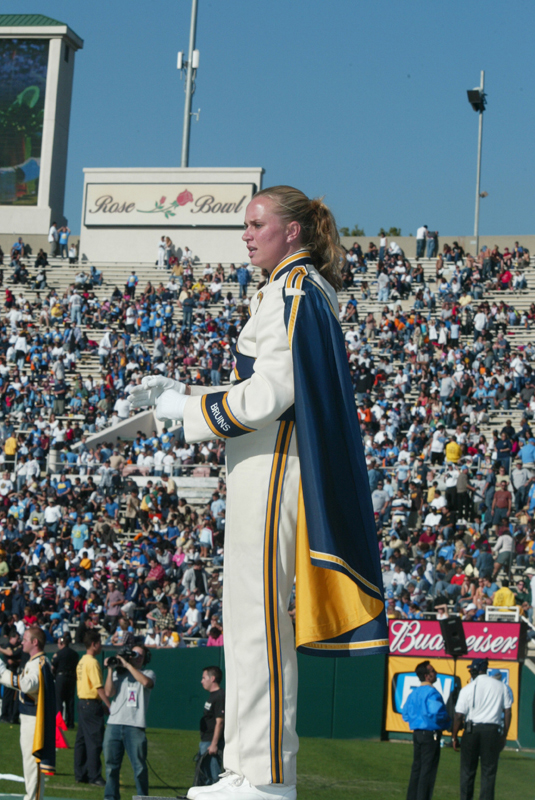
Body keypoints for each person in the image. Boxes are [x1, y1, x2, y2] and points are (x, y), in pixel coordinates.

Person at [129, 185, 387, 800]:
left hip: (274, 470)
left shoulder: (293, 291)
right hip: (264, 465)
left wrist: (183, 408)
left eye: (256, 223)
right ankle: (248, 766)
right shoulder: (292, 291)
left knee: (259, 625)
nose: (246, 234)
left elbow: (271, 394)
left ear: (291, 231)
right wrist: (187, 393)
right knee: (247, 624)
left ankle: (266, 775)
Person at [0, 626, 56, 800]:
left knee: (34, 766)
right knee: (29, 764)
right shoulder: (34, 662)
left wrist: (3, 672)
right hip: (28, 719)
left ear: (34, 642)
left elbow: (27, 685)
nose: (21, 642)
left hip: (35, 721)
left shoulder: (40, 663)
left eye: (25, 639)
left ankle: (33, 798)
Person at [452, 658, 512, 800]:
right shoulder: (501, 686)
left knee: (467, 771)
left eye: (471, 669)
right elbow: (508, 711)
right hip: (492, 731)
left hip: (472, 730)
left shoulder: (468, 688)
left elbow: (458, 715)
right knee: (488, 773)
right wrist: (504, 735)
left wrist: (454, 737)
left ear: (475, 670)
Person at [103, 645, 155, 800]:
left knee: (139, 767)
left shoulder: (148, 673)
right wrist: (111, 669)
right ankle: (110, 797)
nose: (137, 657)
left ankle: (142, 797)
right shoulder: (119, 674)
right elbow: (108, 693)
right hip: (114, 724)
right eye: (134, 654)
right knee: (111, 767)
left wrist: (128, 665)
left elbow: (146, 683)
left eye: (140, 655)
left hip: (135, 726)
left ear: (145, 659)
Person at [402, 660, 451, 800]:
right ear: (427, 676)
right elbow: (436, 713)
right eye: (433, 671)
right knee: (427, 772)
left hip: (417, 733)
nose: (435, 673)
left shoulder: (414, 693)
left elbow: (405, 714)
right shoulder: (432, 693)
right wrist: (447, 720)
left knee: (416, 769)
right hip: (430, 734)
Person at [75, 630, 110, 786]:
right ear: (94, 644)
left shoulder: (82, 661)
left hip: (82, 702)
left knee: (81, 741)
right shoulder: (93, 662)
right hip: (91, 704)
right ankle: (94, 775)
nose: (101, 646)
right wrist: (109, 705)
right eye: (100, 643)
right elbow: (98, 687)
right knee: (94, 741)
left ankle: (80, 773)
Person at [190, 666, 225, 794]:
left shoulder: (220, 696)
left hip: (211, 744)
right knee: (204, 777)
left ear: (213, 678)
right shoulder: (212, 696)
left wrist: (214, 744)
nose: (201, 681)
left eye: (204, 678)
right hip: (206, 742)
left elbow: (220, 722)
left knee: (213, 778)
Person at [51, 633, 79, 729]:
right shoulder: (75, 654)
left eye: (59, 643)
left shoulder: (59, 654)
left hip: (61, 677)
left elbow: (53, 667)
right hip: (71, 677)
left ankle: (59, 722)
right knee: (70, 701)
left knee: (59, 700)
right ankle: (70, 723)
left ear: (62, 644)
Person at [0, 627, 22, 724]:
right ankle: (4, 716)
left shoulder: (16, 647)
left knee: (14, 696)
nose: (18, 640)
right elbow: (10, 660)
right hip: (8, 672)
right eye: (16, 638)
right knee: (8, 695)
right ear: (11, 638)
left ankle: (10, 716)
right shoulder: (7, 645)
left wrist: (16, 661)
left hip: (14, 672)